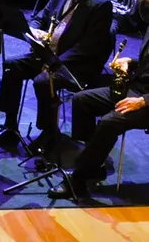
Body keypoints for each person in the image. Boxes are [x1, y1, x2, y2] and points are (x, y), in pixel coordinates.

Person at [0, 0, 112, 148]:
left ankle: (49, 131)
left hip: (77, 63)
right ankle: (10, 127)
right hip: (48, 54)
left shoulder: (100, 3)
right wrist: (33, 30)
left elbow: (89, 47)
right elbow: (39, 17)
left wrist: (53, 63)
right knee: (10, 67)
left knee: (43, 81)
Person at [47, 24, 149, 200]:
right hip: (137, 88)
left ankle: (78, 181)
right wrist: (130, 62)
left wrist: (143, 101)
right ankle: (93, 162)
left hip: (145, 101)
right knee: (81, 100)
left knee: (110, 122)